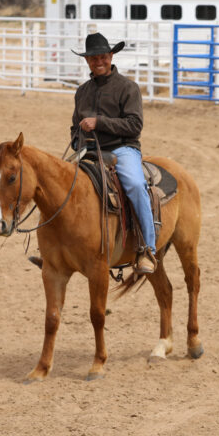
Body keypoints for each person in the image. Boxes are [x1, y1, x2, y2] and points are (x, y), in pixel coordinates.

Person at [71, 32, 157, 274]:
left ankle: (147, 249)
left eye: (102, 57)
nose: (98, 62)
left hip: (123, 149)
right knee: (59, 183)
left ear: (110, 56)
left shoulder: (128, 88)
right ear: (87, 61)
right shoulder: (82, 92)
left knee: (135, 185)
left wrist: (99, 123)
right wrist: (77, 142)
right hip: (89, 151)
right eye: (92, 58)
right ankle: (60, 249)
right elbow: (74, 126)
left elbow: (134, 125)